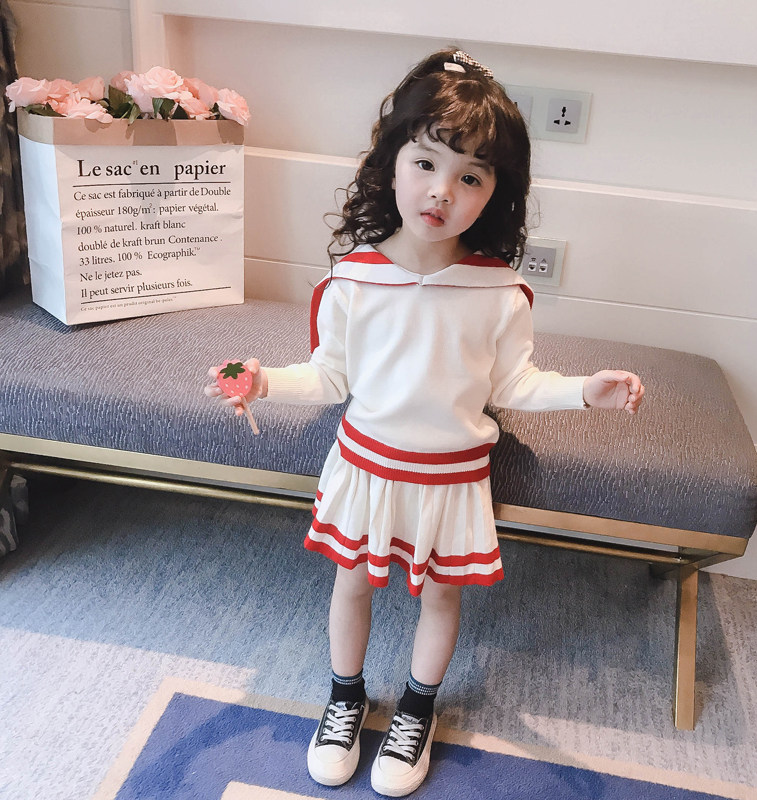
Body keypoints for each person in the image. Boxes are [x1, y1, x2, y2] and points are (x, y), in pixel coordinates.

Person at [206, 48, 644, 797]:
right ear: (391, 164)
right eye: (426, 162)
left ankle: (416, 710)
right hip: (365, 469)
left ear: (496, 195)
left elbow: (513, 384)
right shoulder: (351, 280)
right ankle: (345, 698)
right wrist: (264, 380)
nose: (442, 190)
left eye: (471, 177)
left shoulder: (500, 292)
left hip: (451, 480)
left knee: (441, 596)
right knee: (351, 585)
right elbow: (331, 377)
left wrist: (584, 392)